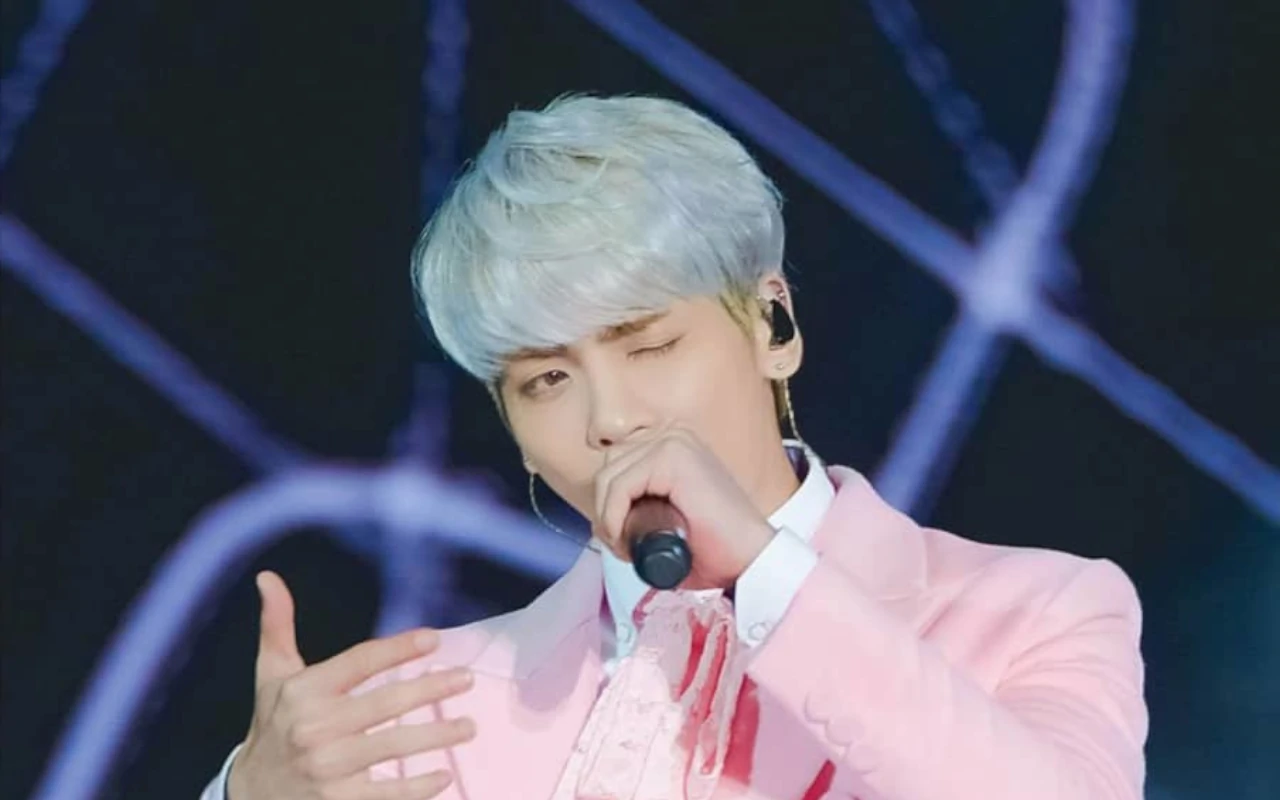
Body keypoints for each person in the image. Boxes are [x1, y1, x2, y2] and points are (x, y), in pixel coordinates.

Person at [202, 94, 1147, 800]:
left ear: (772, 323)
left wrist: (769, 578)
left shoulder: (1036, 614)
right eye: (546, 382)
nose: (611, 418)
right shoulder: (430, 706)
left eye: (648, 346)